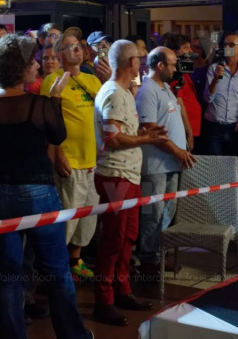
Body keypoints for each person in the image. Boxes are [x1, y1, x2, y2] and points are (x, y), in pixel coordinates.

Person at [0, 34, 89, 339]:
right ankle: (73, 335)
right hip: (36, 191)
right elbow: (58, 136)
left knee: (7, 274)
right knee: (56, 270)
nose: (38, 64)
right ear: (20, 67)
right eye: (33, 61)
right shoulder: (39, 104)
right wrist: (56, 102)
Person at [93, 40, 166, 327]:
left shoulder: (122, 92)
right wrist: (145, 139)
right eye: (138, 58)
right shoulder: (113, 92)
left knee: (127, 238)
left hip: (128, 175)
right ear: (130, 63)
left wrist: (143, 130)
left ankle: (122, 290)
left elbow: (122, 130)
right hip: (116, 175)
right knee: (113, 240)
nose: (142, 62)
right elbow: (113, 138)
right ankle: (104, 300)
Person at [41, 27, 101, 281]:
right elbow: (46, 122)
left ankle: (75, 261)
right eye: (71, 46)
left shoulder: (92, 79)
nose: (78, 49)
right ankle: (53, 271)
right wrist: (57, 155)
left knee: (88, 219)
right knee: (67, 219)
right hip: (71, 160)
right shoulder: (52, 80)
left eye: (79, 45)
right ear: (59, 54)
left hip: (94, 161)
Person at [135, 47, 196, 277]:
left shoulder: (166, 88)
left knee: (167, 213)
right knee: (152, 214)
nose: (175, 68)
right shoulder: (147, 91)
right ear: (159, 65)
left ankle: (159, 256)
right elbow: (150, 130)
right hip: (155, 166)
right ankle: (148, 263)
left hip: (171, 164)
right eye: (171, 64)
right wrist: (178, 151)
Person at [201, 32, 238, 156]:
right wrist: (216, 79)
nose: (227, 48)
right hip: (213, 126)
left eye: (231, 44)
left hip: (235, 127)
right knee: (214, 166)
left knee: (232, 165)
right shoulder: (214, 68)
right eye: (225, 45)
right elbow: (208, 98)